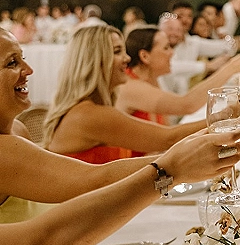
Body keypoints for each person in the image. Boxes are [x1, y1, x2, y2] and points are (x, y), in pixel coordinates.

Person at [0, 26, 240, 245]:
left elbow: (93, 178)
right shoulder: (68, 123)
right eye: (12, 63)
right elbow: (83, 194)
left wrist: (185, 161)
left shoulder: (17, 133)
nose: (30, 70)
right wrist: (174, 168)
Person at [43, 25, 228, 161]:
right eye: (117, 52)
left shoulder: (94, 108)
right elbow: (168, 137)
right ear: (94, 61)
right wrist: (229, 116)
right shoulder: (89, 114)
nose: (127, 58)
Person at [115, 25, 240, 126]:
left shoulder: (151, 79)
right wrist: (230, 68)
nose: (172, 53)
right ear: (144, 56)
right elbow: (187, 105)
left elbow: (166, 130)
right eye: (166, 48)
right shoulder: (130, 86)